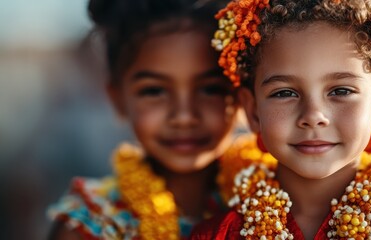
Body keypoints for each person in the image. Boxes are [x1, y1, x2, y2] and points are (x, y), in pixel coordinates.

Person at [191, 0, 371, 239]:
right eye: (284, 93)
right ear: (252, 111)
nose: (313, 116)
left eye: (341, 91)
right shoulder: (216, 235)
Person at [45, 0, 251, 239]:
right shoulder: (92, 224)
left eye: (210, 89)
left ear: (242, 96)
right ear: (117, 99)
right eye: (154, 91)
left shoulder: (274, 202)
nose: (184, 116)